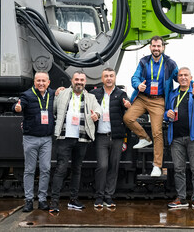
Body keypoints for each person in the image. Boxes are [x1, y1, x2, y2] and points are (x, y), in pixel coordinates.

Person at [123, 35, 178, 177]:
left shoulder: (170, 63)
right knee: (128, 118)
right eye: (154, 46)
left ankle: (157, 166)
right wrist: (137, 85)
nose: (156, 48)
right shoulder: (144, 61)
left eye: (159, 46)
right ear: (150, 47)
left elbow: (182, 77)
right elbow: (134, 77)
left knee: (157, 132)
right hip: (142, 98)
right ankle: (144, 138)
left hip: (158, 101)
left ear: (163, 47)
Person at [49, 71, 102, 212]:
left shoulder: (90, 97)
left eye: (82, 80)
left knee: (77, 170)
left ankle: (73, 200)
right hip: (64, 137)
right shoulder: (62, 93)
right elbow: (52, 109)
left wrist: (96, 114)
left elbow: (98, 109)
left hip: (82, 138)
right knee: (60, 169)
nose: (79, 82)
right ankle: (54, 201)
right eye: (77, 79)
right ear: (72, 81)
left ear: (85, 82)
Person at [164, 67, 194, 210]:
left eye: (186, 75)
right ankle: (181, 198)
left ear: (191, 77)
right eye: (180, 75)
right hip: (176, 137)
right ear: (177, 78)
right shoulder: (172, 94)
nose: (183, 77)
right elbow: (166, 112)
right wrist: (167, 114)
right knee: (178, 169)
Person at [12, 71, 55, 212]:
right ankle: (29, 200)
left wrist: (61, 89)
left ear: (48, 82)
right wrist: (17, 108)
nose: (41, 83)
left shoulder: (52, 94)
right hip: (30, 138)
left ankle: (42, 200)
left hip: (46, 139)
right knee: (29, 170)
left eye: (44, 81)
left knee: (45, 169)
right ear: (34, 82)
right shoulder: (27, 95)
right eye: (38, 81)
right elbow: (17, 106)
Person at [90, 68, 131, 208]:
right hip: (101, 136)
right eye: (106, 76)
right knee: (102, 166)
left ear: (115, 78)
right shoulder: (94, 93)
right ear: (102, 79)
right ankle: (99, 197)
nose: (108, 78)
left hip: (117, 137)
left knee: (114, 167)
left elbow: (129, 109)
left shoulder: (121, 94)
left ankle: (108, 196)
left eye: (111, 76)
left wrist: (128, 106)